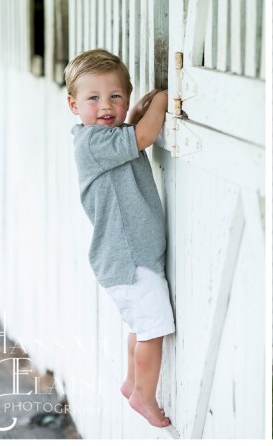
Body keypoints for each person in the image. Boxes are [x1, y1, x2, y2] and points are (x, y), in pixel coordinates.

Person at [65, 48, 175, 428]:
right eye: (92, 98)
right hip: (129, 259)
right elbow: (143, 137)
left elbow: (129, 132)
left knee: (140, 326)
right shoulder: (93, 143)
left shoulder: (107, 135)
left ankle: (131, 381)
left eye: (115, 96)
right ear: (73, 105)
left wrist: (134, 113)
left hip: (128, 257)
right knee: (154, 330)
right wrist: (162, 98)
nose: (105, 106)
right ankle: (145, 394)